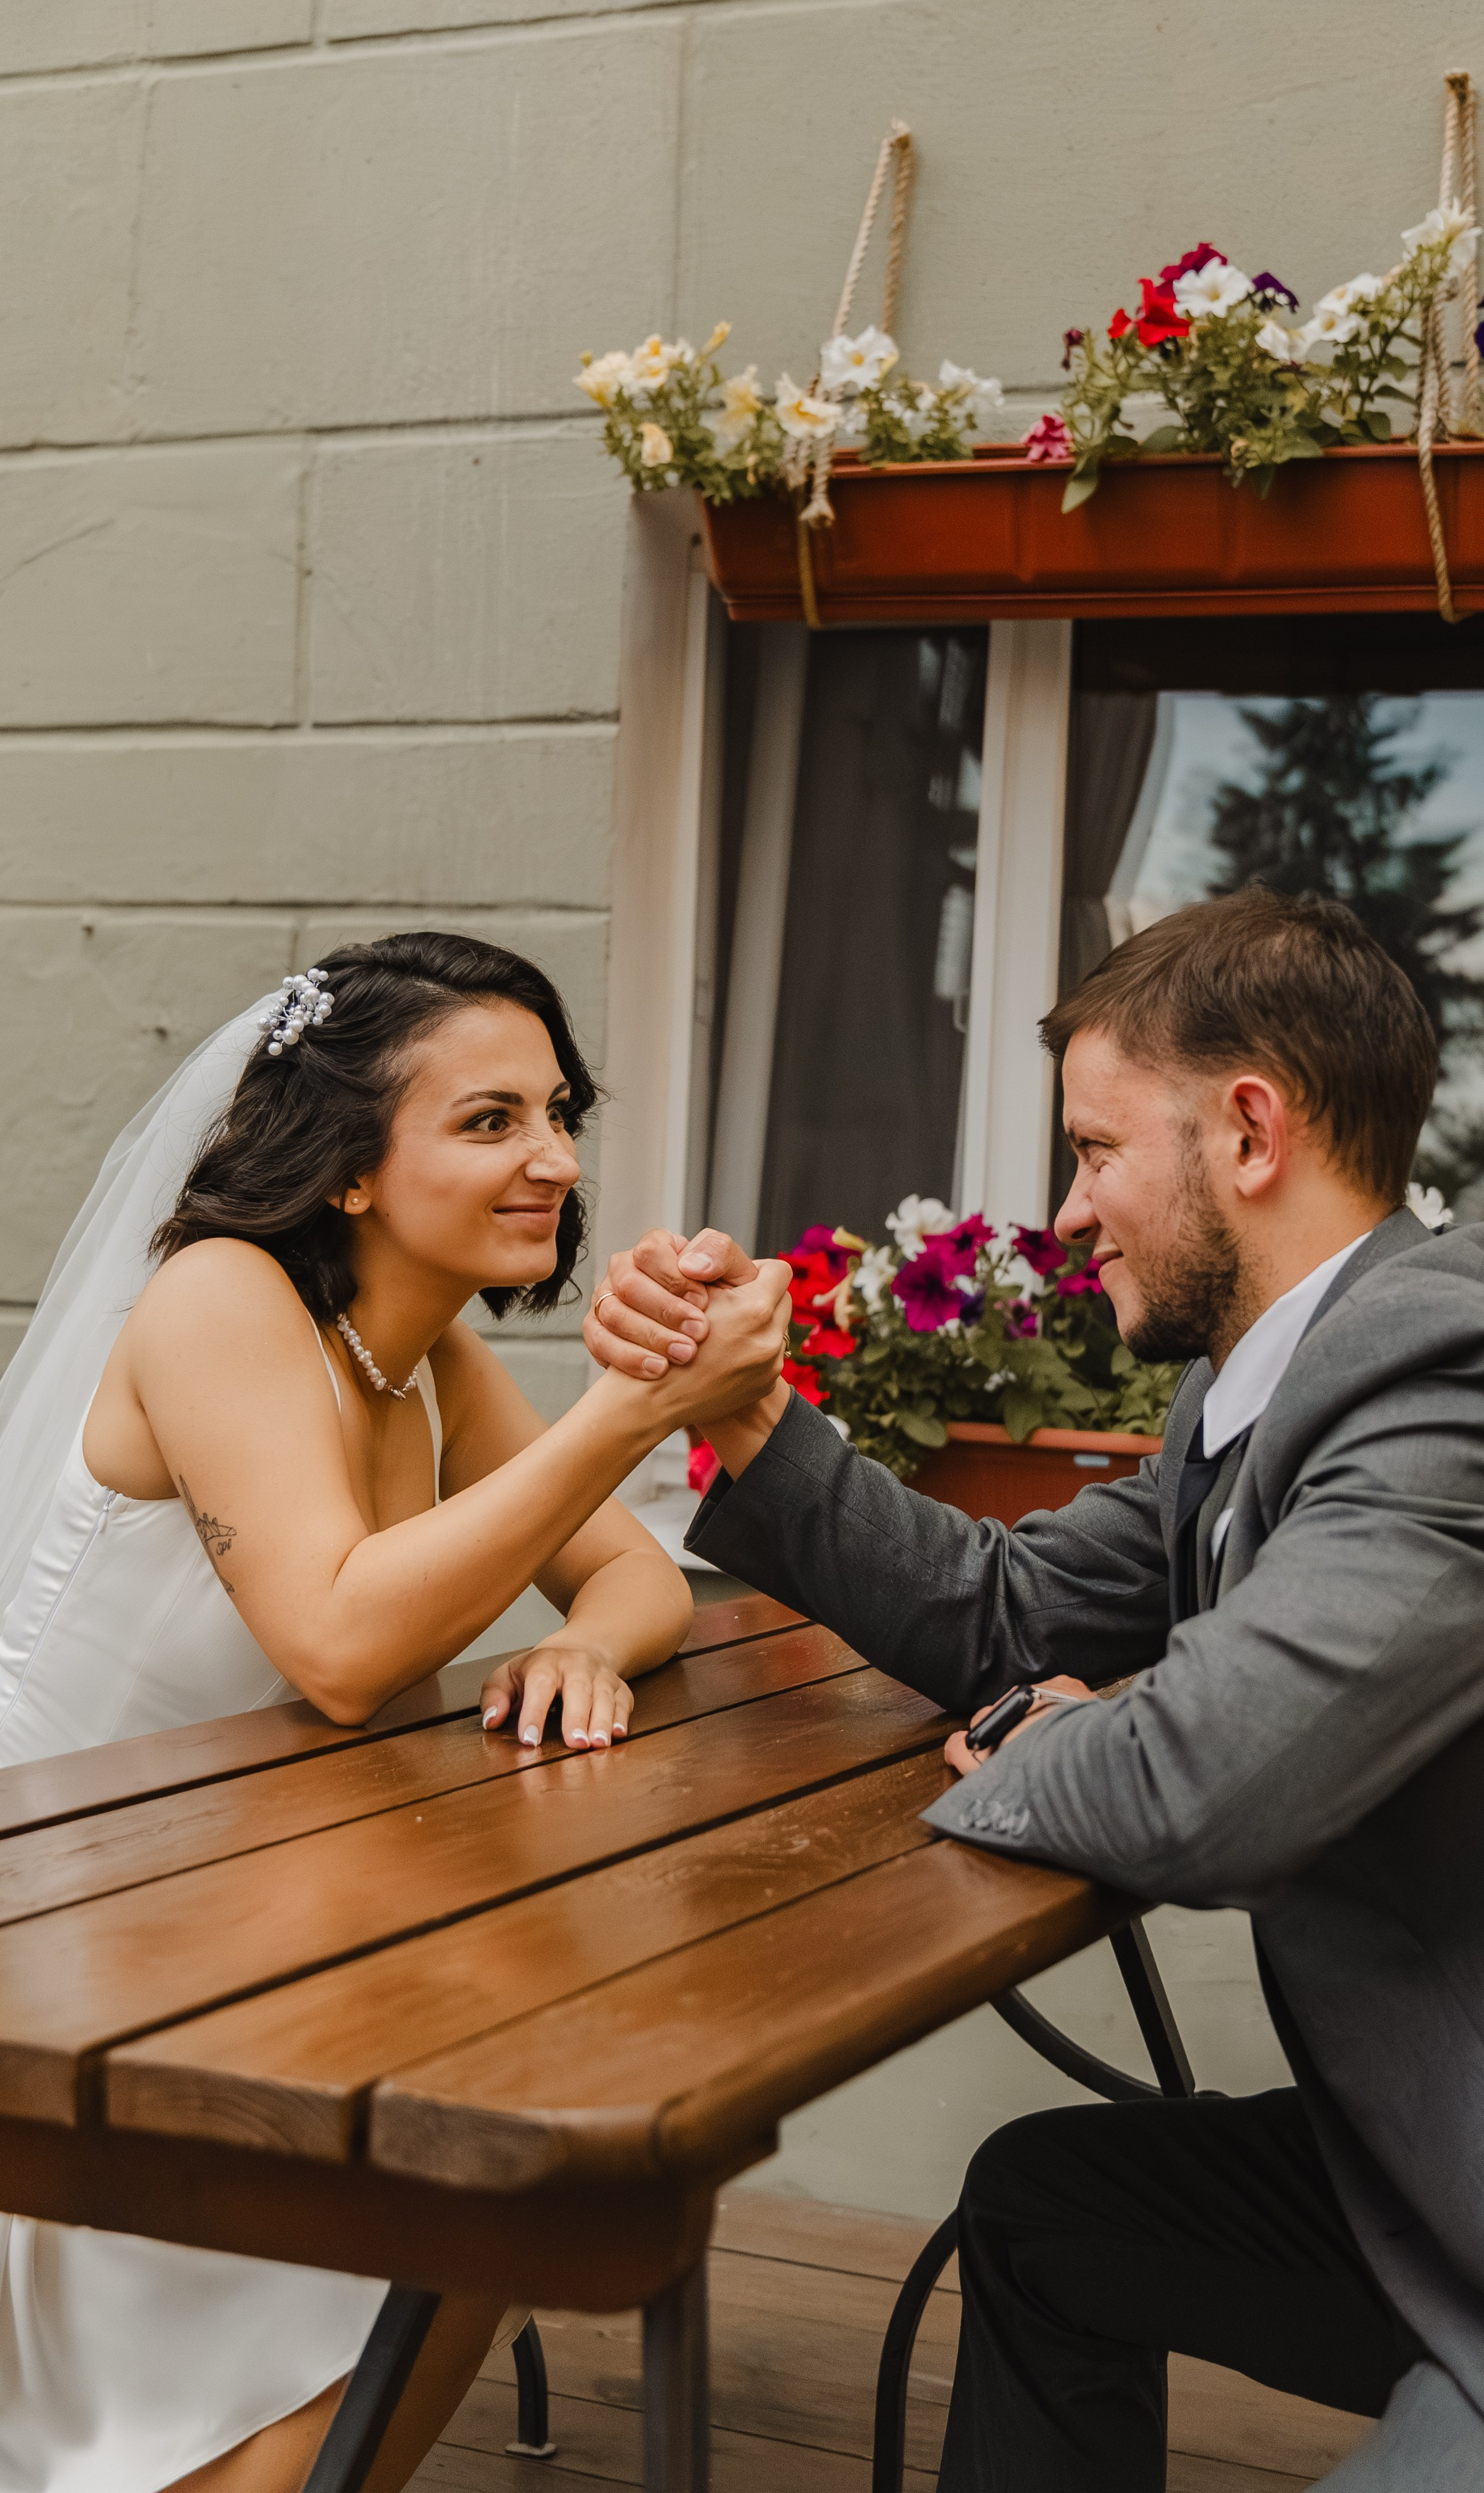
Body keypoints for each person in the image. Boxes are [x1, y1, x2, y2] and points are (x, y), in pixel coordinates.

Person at [585, 887, 1484, 2492]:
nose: (1065, 1216)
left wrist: (1032, 1743)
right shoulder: (1255, 1386)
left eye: (1092, 1149)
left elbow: (1205, 1784)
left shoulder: (1439, 1374)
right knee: (1045, 2211)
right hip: (1413, 2181)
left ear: (1250, 1133)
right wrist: (742, 1414)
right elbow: (1013, 1610)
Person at [0, 929, 790, 2493]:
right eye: (489, 1121)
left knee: (509, 2183)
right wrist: (629, 1411)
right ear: (351, 1167)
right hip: (63, 1901)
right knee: (464, 2172)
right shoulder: (220, 1301)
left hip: (240, 1891)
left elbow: (634, 1581)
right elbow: (342, 1647)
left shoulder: (420, 1357)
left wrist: (593, 1651)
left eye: (558, 1114)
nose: (552, 1159)